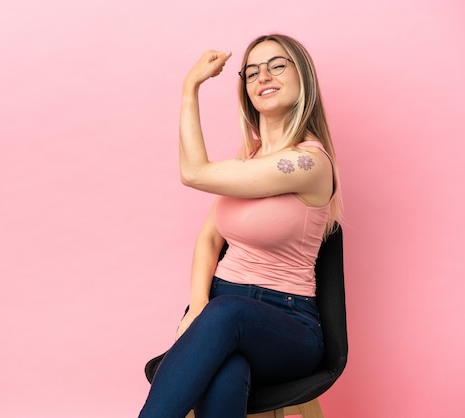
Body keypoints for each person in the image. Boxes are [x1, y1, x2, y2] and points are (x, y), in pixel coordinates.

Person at [138, 33, 343, 418]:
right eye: (252, 72)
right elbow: (209, 237)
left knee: (226, 313)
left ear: (304, 79)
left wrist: (190, 88)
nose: (264, 75)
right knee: (226, 371)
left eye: (278, 65)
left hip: (288, 324)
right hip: (222, 316)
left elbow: (194, 172)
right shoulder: (249, 158)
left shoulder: (309, 164)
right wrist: (198, 307)